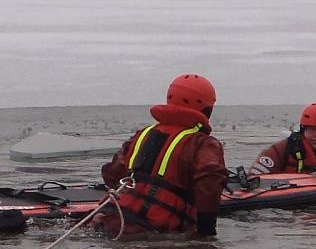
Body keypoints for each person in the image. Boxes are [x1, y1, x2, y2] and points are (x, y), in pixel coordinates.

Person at [98, 74, 229, 237]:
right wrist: (207, 231)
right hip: (155, 230)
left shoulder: (142, 135)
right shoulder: (202, 143)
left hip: (111, 220)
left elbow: (112, 174)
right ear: (207, 109)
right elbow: (210, 184)